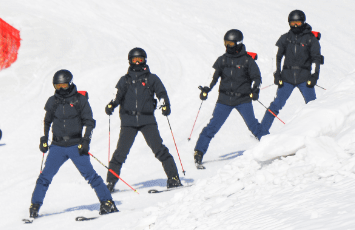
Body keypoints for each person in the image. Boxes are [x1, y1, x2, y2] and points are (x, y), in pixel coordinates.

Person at [29, 69, 116, 218]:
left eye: (63, 86)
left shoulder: (79, 100)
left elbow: (89, 122)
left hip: (76, 145)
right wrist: (44, 138)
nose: (61, 89)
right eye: (57, 86)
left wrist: (86, 140)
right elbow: (47, 121)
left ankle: (107, 202)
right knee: (45, 177)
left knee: (90, 175)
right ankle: (34, 206)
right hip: (57, 146)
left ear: (70, 83)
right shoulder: (53, 101)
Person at [104, 48, 180, 191]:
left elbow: (161, 93)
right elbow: (116, 96)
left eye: (140, 59)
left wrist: (165, 105)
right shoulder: (124, 80)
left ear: (145, 60)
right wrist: (111, 105)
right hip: (128, 121)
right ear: (130, 61)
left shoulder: (152, 78)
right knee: (120, 153)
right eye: (135, 60)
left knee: (159, 149)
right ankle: (109, 184)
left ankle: (173, 178)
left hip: (147, 120)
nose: (138, 62)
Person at [194, 29, 267, 168]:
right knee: (212, 127)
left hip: (243, 99)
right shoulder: (222, 59)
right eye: (226, 43)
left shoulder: (247, 60)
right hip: (225, 100)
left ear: (238, 43)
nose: (228, 46)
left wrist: (255, 89)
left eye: (231, 44)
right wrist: (206, 89)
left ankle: (273, 144)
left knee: (253, 126)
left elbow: (256, 77)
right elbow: (213, 76)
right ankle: (198, 152)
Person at [260, 9, 323, 134]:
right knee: (277, 104)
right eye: (292, 23)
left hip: (305, 78)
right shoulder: (285, 38)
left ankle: (317, 131)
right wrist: (276, 74)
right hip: (287, 77)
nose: (295, 26)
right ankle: (261, 131)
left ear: (303, 23)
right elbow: (276, 56)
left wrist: (314, 76)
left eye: (298, 23)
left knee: (313, 105)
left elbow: (317, 58)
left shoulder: (311, 39)